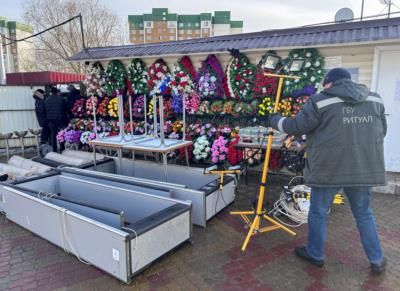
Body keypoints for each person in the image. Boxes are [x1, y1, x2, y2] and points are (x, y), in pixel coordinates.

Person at [267, 68, 387, 274]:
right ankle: (376, 260)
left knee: (318, 213)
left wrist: (274, 119)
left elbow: (296, 126)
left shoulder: (320, 100)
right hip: (363, 169)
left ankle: (316, 254)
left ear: (330, 83)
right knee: (364, 214)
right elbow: (382, 131)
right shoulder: (375, 99)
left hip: (328, 170)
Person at [45, 86, 67, 152]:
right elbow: (65, 108)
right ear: (57, 92)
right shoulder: (61, 99)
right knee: (61, 133)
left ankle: (54, 149)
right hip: (60, 119)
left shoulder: (47, 100)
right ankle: (62, 148)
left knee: (53, 134)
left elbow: (45, 110)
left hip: (51, 120)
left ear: (51, 92)